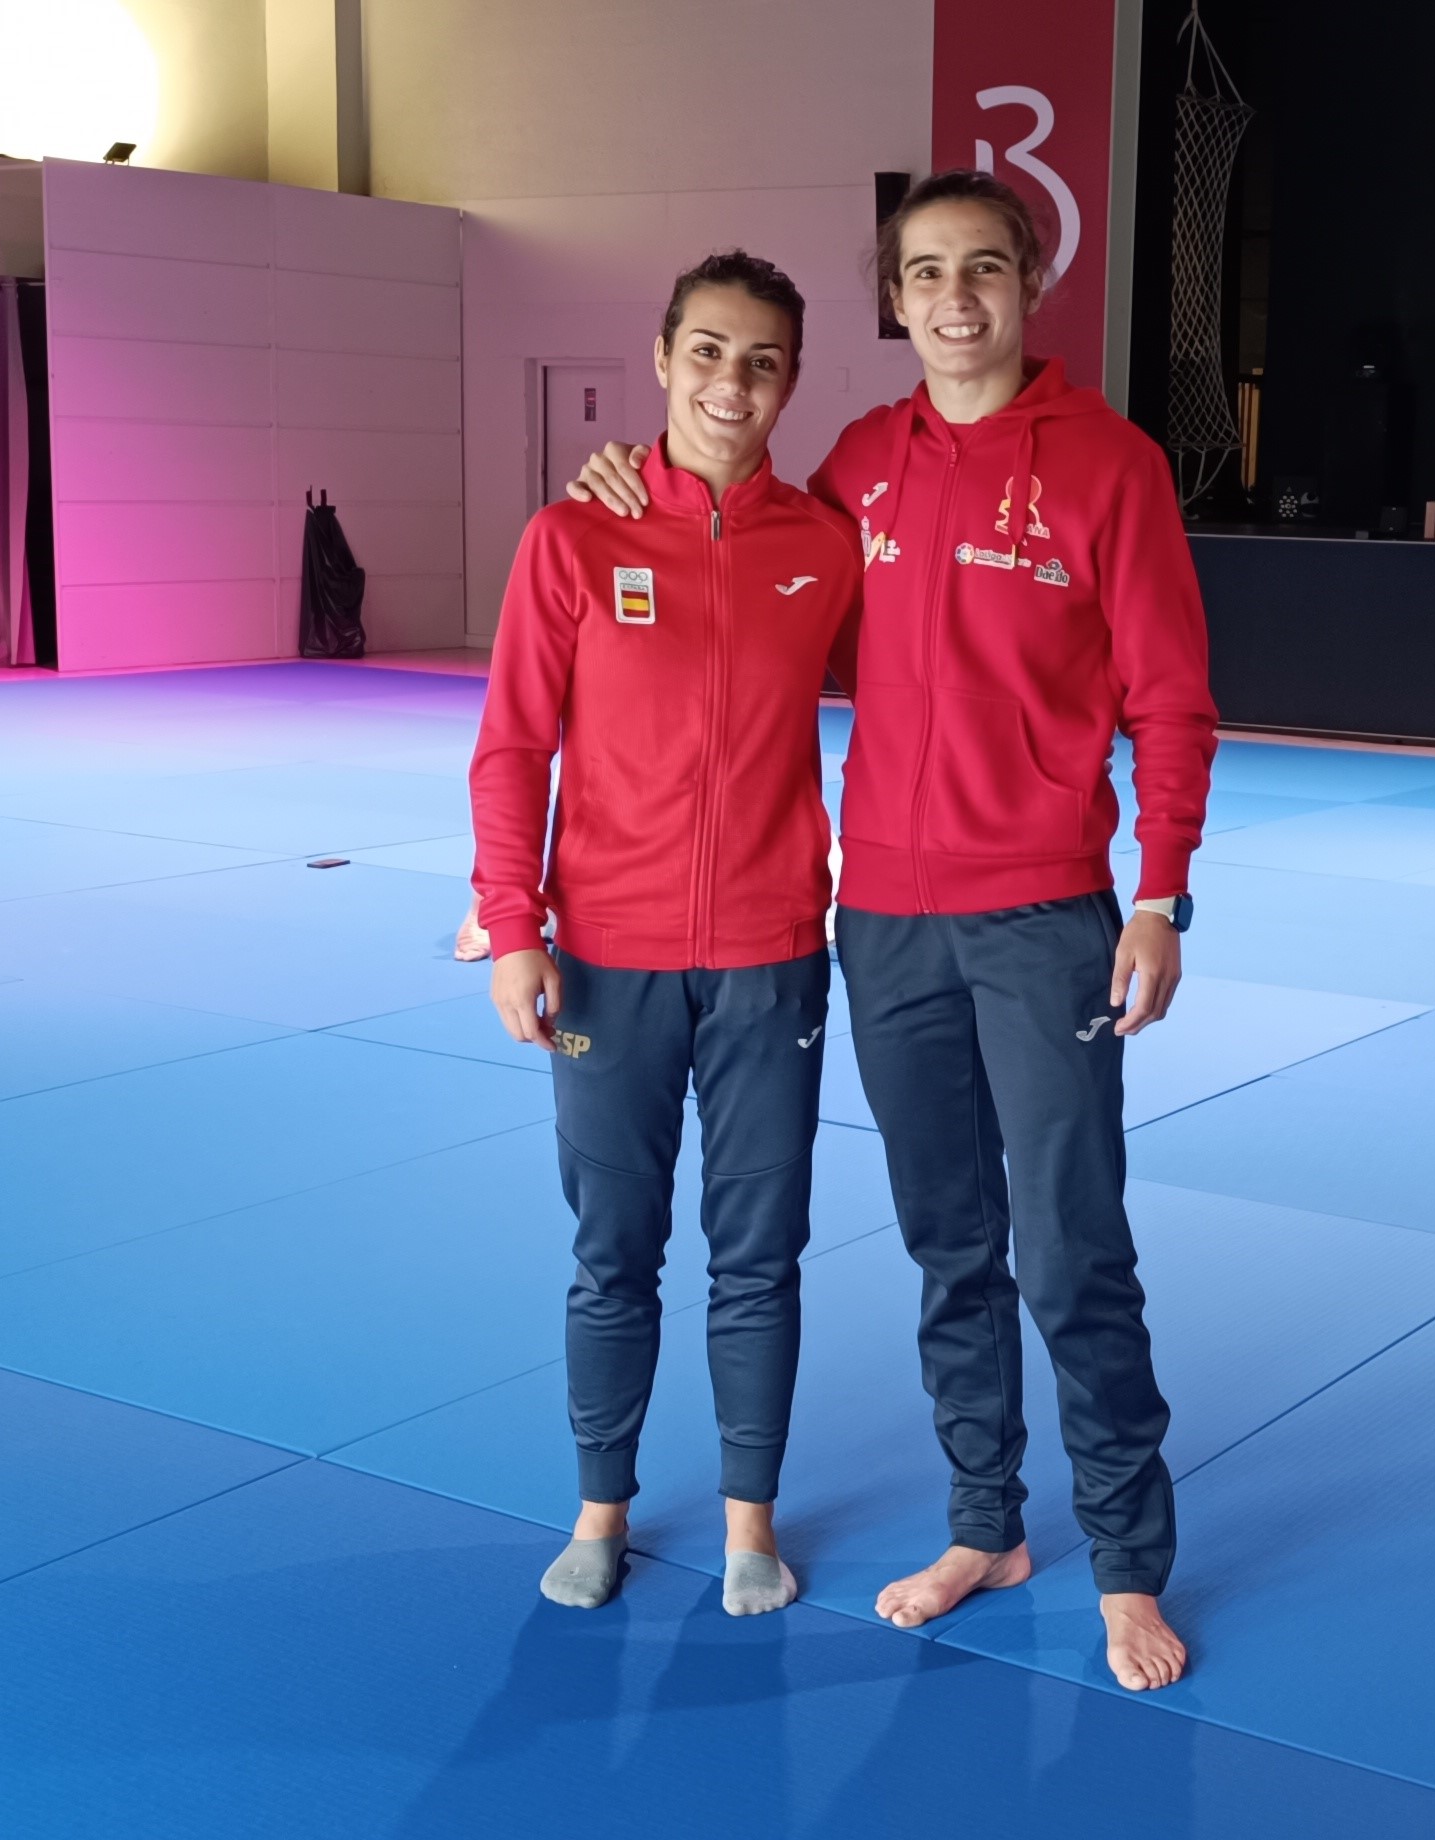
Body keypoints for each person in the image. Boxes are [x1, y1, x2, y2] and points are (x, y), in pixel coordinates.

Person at [571, 172, 1215, 1690]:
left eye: (982, 268)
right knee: (948, 1246)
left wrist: (1164, 893)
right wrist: (634, 487)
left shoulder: (1109, 467)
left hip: (1048, 913)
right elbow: (746, 555)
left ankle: (1128, 1560)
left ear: (1027, 281)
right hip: (886, 927)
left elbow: (1172, 700)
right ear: (896, 295)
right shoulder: (861, 465)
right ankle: (985, 1522)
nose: (954, 298)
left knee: (1072, 1251)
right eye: (924, 273)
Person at [471, 251, 861, 1618]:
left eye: (760, 360)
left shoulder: (825, 545)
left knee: (759, 1252)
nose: (731, 382)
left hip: (768, 958)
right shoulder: (574, 539)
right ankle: (602, 1507)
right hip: (608, 962)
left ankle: (751, 1520)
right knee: (612, 1249)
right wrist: (513, 925)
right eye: (707, 351)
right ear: (661, 358)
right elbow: (514, 745)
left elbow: (938, 677)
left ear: (792, 380)